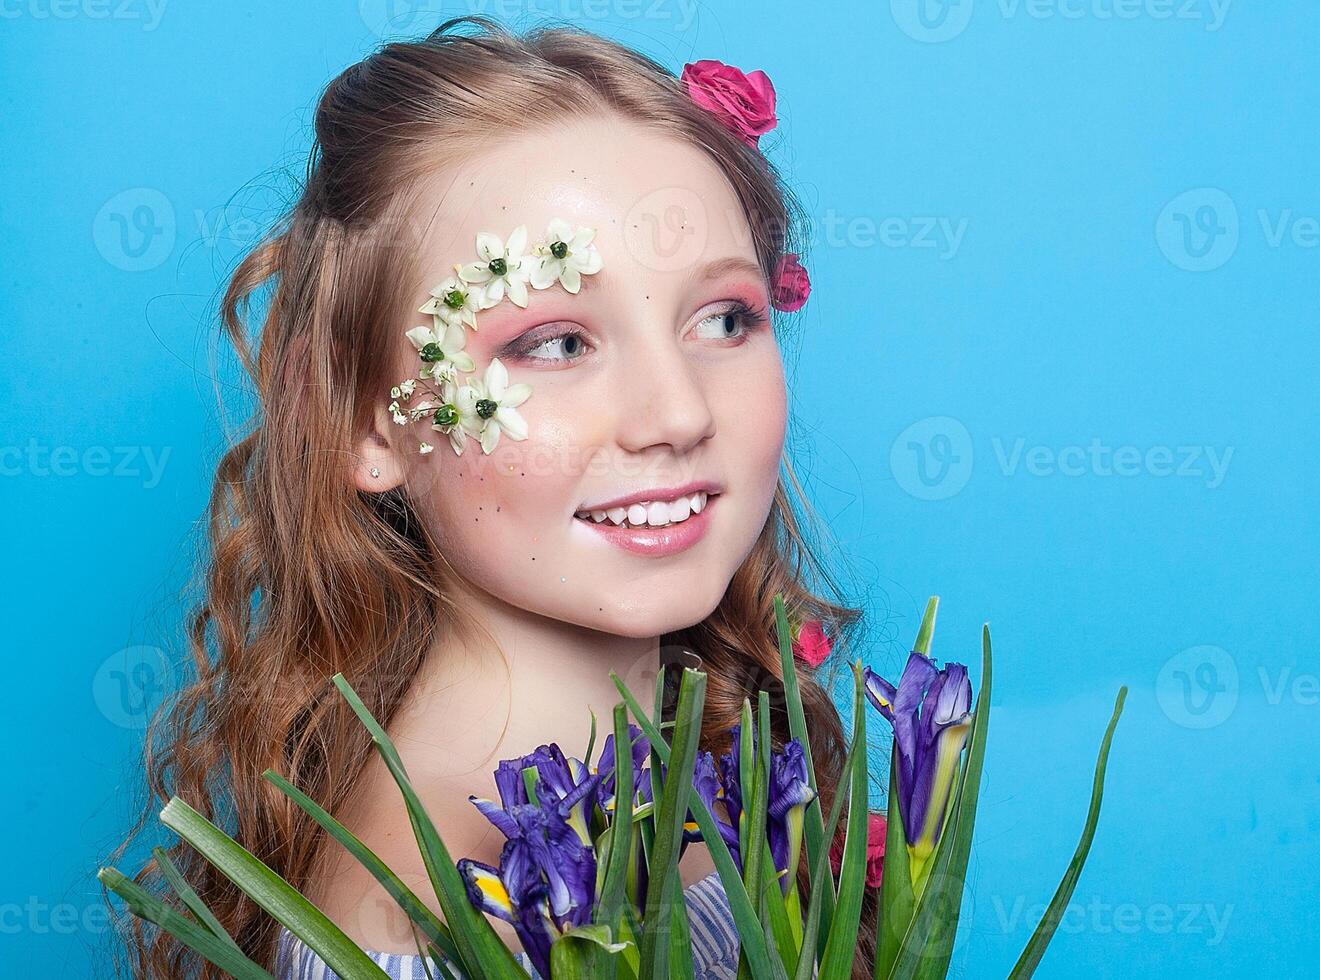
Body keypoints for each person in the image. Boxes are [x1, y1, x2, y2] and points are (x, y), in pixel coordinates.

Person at [112, 15, 877, 979]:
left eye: (724, 318)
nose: (677, 412)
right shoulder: (420, 919)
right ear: (358, 418)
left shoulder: (730, 761)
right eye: (553, 342)